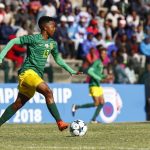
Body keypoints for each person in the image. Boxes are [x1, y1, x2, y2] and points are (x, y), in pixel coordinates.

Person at [0, 16, 82, 131]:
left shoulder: (52, 43)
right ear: (45, 27)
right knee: (48, 92)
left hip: (35, 76)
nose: (54, 29)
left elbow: (58, 59)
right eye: (53, 26)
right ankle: (60, 122)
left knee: (17, 104)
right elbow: (14, 41)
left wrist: (71, 70)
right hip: (28, 73)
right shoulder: (33, 38)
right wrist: (1, 56)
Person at [72, 55, 108, 123]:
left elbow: (99, 75)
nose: (104, 55)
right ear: (100, 54)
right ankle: (77, 106)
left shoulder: (101, 64)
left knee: (102, 102)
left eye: (105, 53)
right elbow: (90, 71)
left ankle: (93, 119)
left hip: (98, 85)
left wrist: (105, 76)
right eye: (103, 53)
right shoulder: (97, 62)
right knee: (96, 103)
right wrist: (99, 78)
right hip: (93, 85)